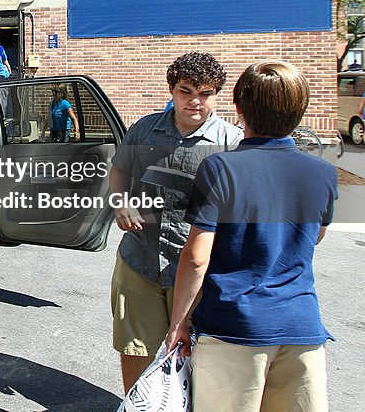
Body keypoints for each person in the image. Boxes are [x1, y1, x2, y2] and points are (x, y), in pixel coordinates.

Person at [166, 61, 337, 411]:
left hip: (234, 328)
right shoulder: (322, 172)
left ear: (239, 108)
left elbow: (197, 257)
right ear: (300, 110)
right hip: (302, 327)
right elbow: (313, 237)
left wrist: (178, 323)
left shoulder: (221, 168)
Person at [109, 52, 243, 393]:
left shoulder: (231, 143)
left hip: (199, 269)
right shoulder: (144, 129)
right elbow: (120, 169)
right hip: (140, 261)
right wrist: (121, 202)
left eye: (206, 93)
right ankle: (137, 403)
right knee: (135, 350)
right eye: (186, 91)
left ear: (217, 95)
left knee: (198, 358)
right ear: (171, 89)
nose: (195, 102)